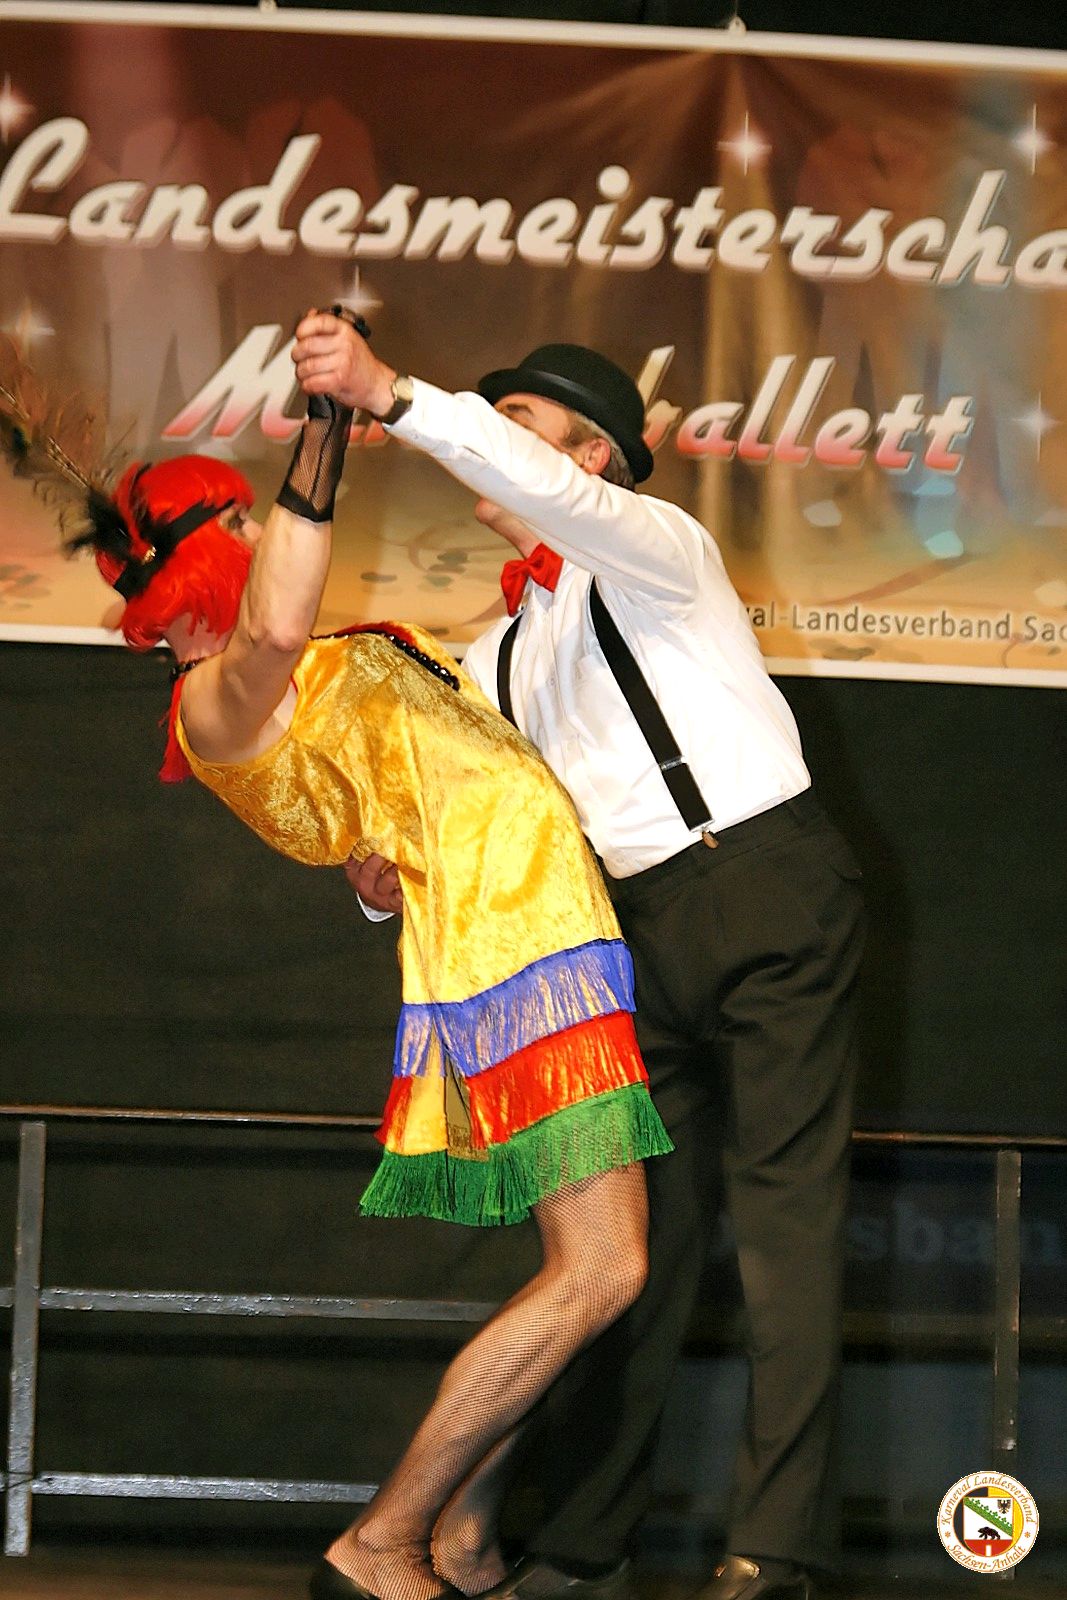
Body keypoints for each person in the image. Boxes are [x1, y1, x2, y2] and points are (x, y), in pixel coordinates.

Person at [49, 346, 673, 1600]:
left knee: (587, 1274)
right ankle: (383, 1539)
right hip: (517, 941)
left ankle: (460, 1539)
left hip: (533, 920)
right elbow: (279, 621)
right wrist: (323, 434)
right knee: (602, 1268)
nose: (254, 532)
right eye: (234, 521)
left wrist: (372, 861)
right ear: (185, 569)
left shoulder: (287, 680)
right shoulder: (219, 692)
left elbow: (376, 802)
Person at [291, 316, 867, 1600]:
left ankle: (775, 1548)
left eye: (521, 426)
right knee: (631, 1251)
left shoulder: (655, 546)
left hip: (762, 885)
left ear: (590, 455)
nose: (496, 449)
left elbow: (535, 484)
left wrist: (394, 394)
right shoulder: (499, 651)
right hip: (622, 938)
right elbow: (468, 812)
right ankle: (584, 1544)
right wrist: (385, 875)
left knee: (784, 1227)